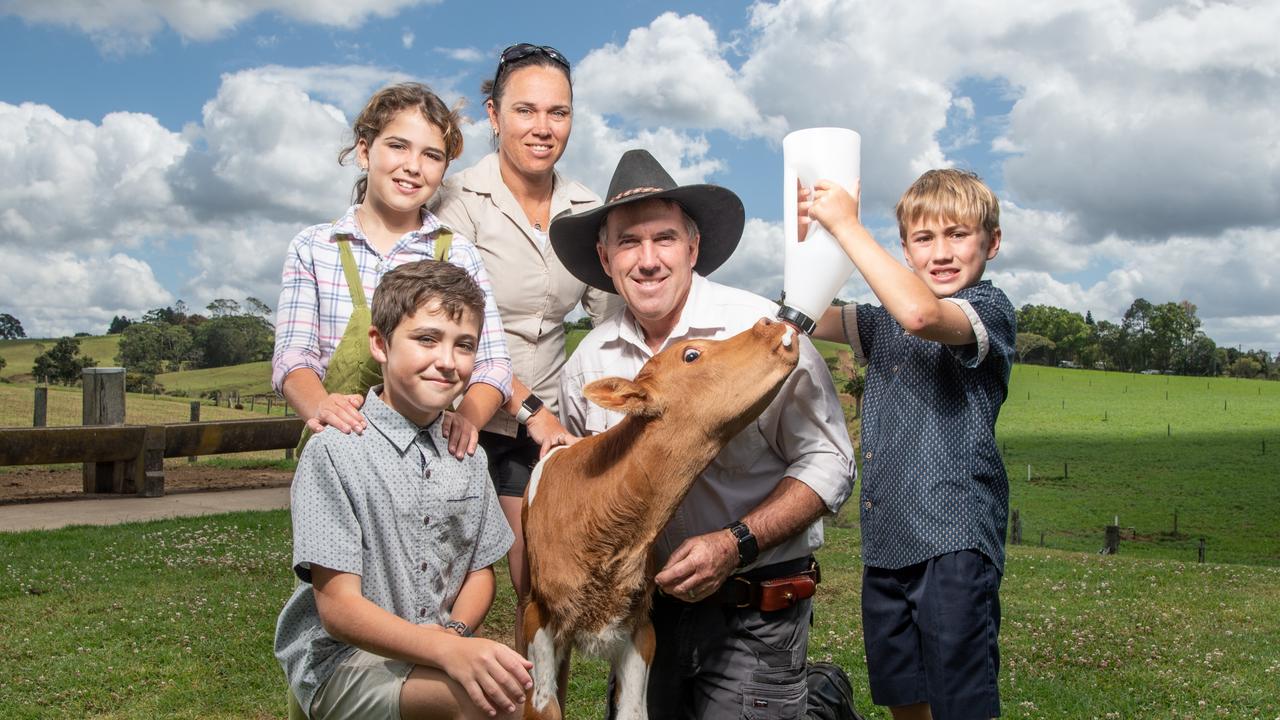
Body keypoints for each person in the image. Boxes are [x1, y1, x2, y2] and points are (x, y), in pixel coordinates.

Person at [549, 149, 855, 719]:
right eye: (627, 242)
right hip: (644, 615)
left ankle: (820, 703)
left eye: (664, 238)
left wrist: (735, 542)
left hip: (753, 607)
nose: (647, 260)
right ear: (604, 256)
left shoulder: (763, 335)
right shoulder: (589, 366)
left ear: (692, 248)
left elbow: (829, 461)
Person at [275, 260, 532, 720]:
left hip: (437, 643)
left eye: (465, 346)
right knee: (487, 705)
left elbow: (480, 572)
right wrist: (442, 650)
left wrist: (452, 635)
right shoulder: (337, 450)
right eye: (427, 339)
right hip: (342, 661)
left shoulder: (468, 454)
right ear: (381, 343)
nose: (447, 361)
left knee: (532, 695)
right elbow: (338, 609)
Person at [801, 169, 1015, 720]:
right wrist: (811, 237)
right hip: (887, 544)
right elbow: (797, 314)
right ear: (905, 247)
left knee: (960, 706)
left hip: (954, 542)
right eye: (924, 239)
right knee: (905, 700)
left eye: (958, 234)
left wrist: (848, 226)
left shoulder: (988, 309)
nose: (941, 252)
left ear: (992, 242)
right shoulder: (879, 324)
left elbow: (920, 314)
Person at [434, 42, 620, 645]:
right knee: (446, 585)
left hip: (540, 430)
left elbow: (611, 318)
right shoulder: (455, 201)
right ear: (493, 114)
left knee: (538, 586)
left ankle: (532, 705)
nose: (543, 128)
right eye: (525, 110)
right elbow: (452, 330)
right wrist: (531, 412)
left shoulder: (586, 208)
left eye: (558, 112)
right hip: (457, 414)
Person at [272, 82, 513, 459]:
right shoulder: (315, 248)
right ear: (365, 152)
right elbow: (293, 356)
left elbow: (494, 364)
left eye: (432, 155)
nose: (413, 167)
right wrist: (320, 404)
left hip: (429, 454)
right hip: (339, 448)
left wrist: (467, 418)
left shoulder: (458, 253)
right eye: (398, 146)